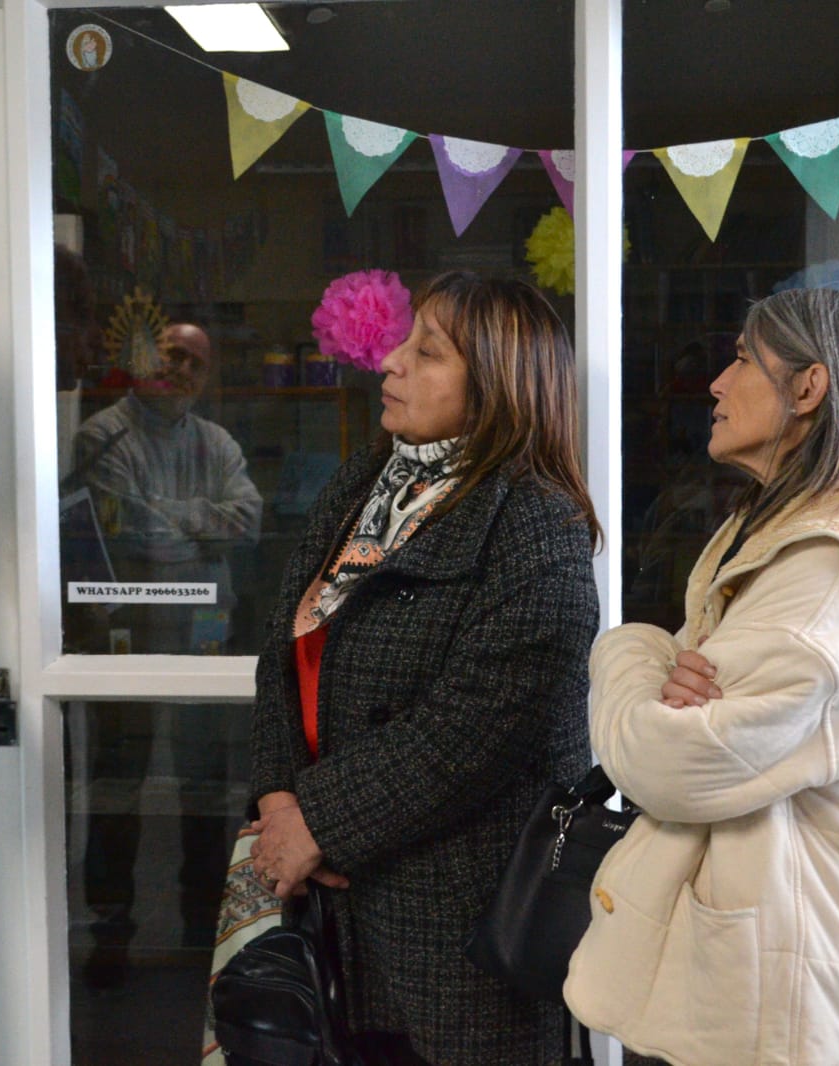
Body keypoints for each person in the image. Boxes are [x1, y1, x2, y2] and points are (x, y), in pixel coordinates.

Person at [564, 289, 839, 1066]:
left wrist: (626, 652)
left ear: (808, 388)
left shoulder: (838, 576)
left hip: (781, 1013)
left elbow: (671, 762)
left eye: (743, 358)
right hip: (780, 991)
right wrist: (665, 675)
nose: (715, 383)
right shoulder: (816, 541)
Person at [246, 271, 602, 1064]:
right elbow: (283, 647)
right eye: (404, 341)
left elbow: (477, 725)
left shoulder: (534, 519)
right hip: (332, 902)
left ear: (498, 385)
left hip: (461, 920)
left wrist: (317, 824)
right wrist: (277, 799)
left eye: (428, 352)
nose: (390, 362)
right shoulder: (364, 482)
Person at [71, 320, 263, 984]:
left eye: (194, 363)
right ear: (142, 358)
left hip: (205, 639)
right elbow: (134, 534)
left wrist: (170, 517)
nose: (180, 370)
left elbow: (249, 521)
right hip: (127, 638)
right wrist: (201, 526)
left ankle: (200, 935)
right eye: (171, 355)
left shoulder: (217, 441)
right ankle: (110, 934)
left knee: (204, 792)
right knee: (116, 791)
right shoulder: (102, 435)